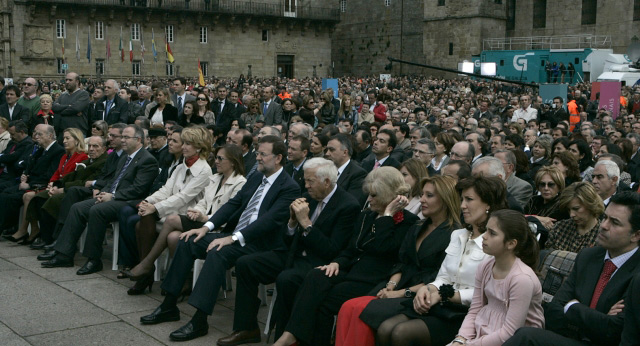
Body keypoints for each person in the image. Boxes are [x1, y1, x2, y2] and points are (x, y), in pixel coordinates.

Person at [139, 135, 299, 342]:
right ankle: (169, 305)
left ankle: (199, 320)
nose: (257, 157)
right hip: (237, 236)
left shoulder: (289, 187)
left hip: (260, 244)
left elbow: (268, 221)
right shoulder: (257, 177)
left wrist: (232, 238)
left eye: (262, 154)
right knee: (188, 240)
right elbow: (233, 204)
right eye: (257, 153)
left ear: (278, 158)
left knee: (217, 251)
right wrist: (206, 227)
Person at [217, 158, 361, 345]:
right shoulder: (307, 196)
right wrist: (292, 223)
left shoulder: (347, 205)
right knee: (246, 264)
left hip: (318, 263)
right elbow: (286, 240)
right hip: (293, 254)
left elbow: (331, 250)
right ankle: (247, 328)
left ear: (327, 182)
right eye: (305, 180)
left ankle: (286, 338)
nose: (306, 185)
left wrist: (306, 224)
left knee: (287, 279)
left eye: (311, 181)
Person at [273, 167, 420, 346]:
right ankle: (289, 335)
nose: (369, 200)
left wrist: (387, 215)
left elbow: (384, 248)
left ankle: (292, 336)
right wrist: (336, 263)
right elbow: (351, 249)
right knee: (317, 274)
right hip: (352, 271)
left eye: (374, 195)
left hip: (374, 280)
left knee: (323, 303)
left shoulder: (408, 222)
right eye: (369, 194)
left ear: (388, 196)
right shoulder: (366, 215)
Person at [371, 176, 508, 346]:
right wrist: (427, 289)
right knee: (385, 328)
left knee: (401, 333)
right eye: (462, 199)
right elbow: (443, 277)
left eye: (469, 200)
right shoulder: (458, 235)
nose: (463, 205)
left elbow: (489, 293)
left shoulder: (496, 244)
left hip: (468, 314)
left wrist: (445, 295)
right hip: (441, 305)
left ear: (488, 204)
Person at [335, 175, 461, 346]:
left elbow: (437, 276)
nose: (422, 199)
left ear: (446, 199)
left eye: (429, 196)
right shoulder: (417, 226)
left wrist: (399, 293)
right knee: (348, 307)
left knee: (360, 311)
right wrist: (391, 285)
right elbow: (402, 261)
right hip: (398, 285)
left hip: (421, 293)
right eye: (422, 194)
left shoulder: (454, 234)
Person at [505, 192, 640, 346]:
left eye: (614, 222)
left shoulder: (637, 273)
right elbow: (554, 311)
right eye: (605, 218)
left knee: (526, 337)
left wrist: (572, 306)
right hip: (572, 337)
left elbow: (615, 331)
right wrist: (599, 318)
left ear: (636, 235)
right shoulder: (588, 256)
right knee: (524, 335)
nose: (603, 225)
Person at [40, 125, 159, 274]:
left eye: (126, 137)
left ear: (139, 140)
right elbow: (113, 180)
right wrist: (103, 192)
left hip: (128, 201)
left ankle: (93, 259)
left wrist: (113, 196)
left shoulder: (147, 160)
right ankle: (64, 253)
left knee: (97, 210)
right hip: (111, 196)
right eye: (122, 137)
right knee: (77, 207)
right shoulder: (124, 157)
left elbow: (138, 189)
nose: (122, 140)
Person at [121, 127, 214, 294]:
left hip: (189, 216)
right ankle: (146, 272)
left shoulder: (204, 170)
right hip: (171, 212)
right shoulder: (180, 166)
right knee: (142, 219)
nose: (184, 147)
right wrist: (147, 201)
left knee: (147, 217)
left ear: (199, 147)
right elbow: (166, 190)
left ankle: (146, 269)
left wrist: (155, 207)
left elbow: (183, 197)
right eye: (183, 143)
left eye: (188, 144)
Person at [451, 209, 543, 346]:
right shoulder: (485, 266)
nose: (484, 236)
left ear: (511, 244)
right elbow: (475, 310)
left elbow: (510, 333)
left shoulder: (522, 279)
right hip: (482, 335)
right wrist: (460, 339)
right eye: (486, 230)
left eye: (492, 233)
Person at [11, 128, 89, 245]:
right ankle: (40, 233)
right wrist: (52, 184)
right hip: (56, 187)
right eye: (64, 138)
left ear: (77, 140)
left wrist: (56, 187)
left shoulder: (82, 157)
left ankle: (48, 237)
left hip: (66, 189)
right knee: (35, 198)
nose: (64, 141)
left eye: (68, 138)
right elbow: (57, 173)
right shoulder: (65, 156)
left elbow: (73, 178)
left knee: (41, 200)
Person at [31, 136, 108, 249]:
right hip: (74, 189)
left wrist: (62, 188)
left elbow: (86, 182)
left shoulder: (103, 162)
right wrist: (55, 184)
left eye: (95, 146)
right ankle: (46, 237)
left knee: (53, 200)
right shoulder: (88, 160)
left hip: (85, 193)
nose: (91, 149)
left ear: (104, 148)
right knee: (40, 197)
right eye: (90, 146)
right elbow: (71, 176)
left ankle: (55, 239)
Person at [546, 182, 605, 253]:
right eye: (568, 209)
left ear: (590, 205)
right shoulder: (559, 229)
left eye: (576, 209)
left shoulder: (602, 236)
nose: (571, 215)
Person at [524, 166, 569, 231]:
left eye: (551, 184)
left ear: (559, 186)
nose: (546, 188)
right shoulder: (533, 200)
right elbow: (519, 217)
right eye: (542, 184)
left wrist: (530, 219)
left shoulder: (562, 205)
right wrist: (539, 219)